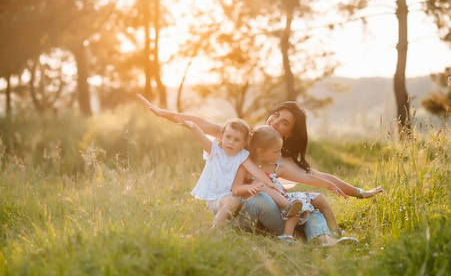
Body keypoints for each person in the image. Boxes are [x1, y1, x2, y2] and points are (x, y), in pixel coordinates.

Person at [138, 95, 383, 244]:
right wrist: (163, 114)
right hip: (243, 207)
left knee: (311, 207)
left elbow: (319, 177)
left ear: (290, 134)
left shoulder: (282, 161)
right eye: (275, 115)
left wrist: (360, 192)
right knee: (266, 197)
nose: (274, 122)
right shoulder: (243, 136)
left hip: (268, 214)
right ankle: (292, 232)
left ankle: (326, 241)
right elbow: (202, 123)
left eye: (283, 122)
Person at [146, 111, 302, 228]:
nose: (231, 142)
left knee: (264, 187)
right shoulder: (214, 150)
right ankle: (215, 231)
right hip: (216, 197)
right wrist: (192, 126)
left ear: (244, 142)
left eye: (236, 140)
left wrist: (270, 183)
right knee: (232, 202)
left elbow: (256, 172)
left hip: (232, 195)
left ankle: (287, 206)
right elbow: (202, 137)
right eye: (228, 137)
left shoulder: (242, 155)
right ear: (222, 136)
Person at [232, 125, 348, 243]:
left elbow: (305, 178)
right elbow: (235, 189)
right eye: (276, 151)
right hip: (269, 209)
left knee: (317, 201)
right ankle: (289, 234)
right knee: (301, 204)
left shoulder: (276, 168)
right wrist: (249, 187)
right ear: (260, 151)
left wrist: (330, 185)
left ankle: (333, 234)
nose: (280, 154)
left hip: (285, 205)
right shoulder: (246, 168)